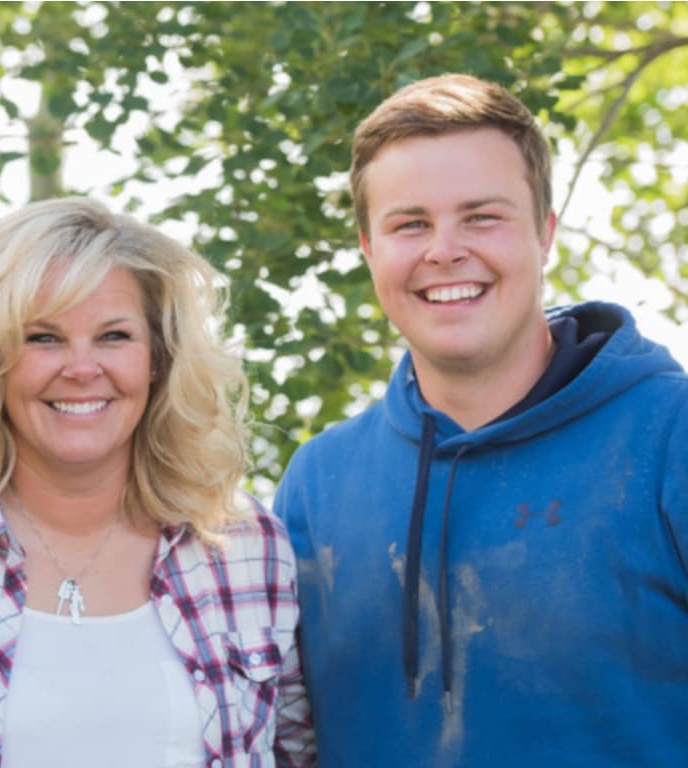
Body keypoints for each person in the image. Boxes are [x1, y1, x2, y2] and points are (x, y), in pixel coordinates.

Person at [275, 72, 688, 766]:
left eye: (481, 217)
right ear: (368, 248)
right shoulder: (316, 482)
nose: (444, 249)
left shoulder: (669, 435)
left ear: (544, 233)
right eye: (409, 224)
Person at [0, 197, 316, 768]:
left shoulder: (247, 547)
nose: (80, 368)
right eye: (44, 338)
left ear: (158, 358)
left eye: (114, 336)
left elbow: (299, 753)